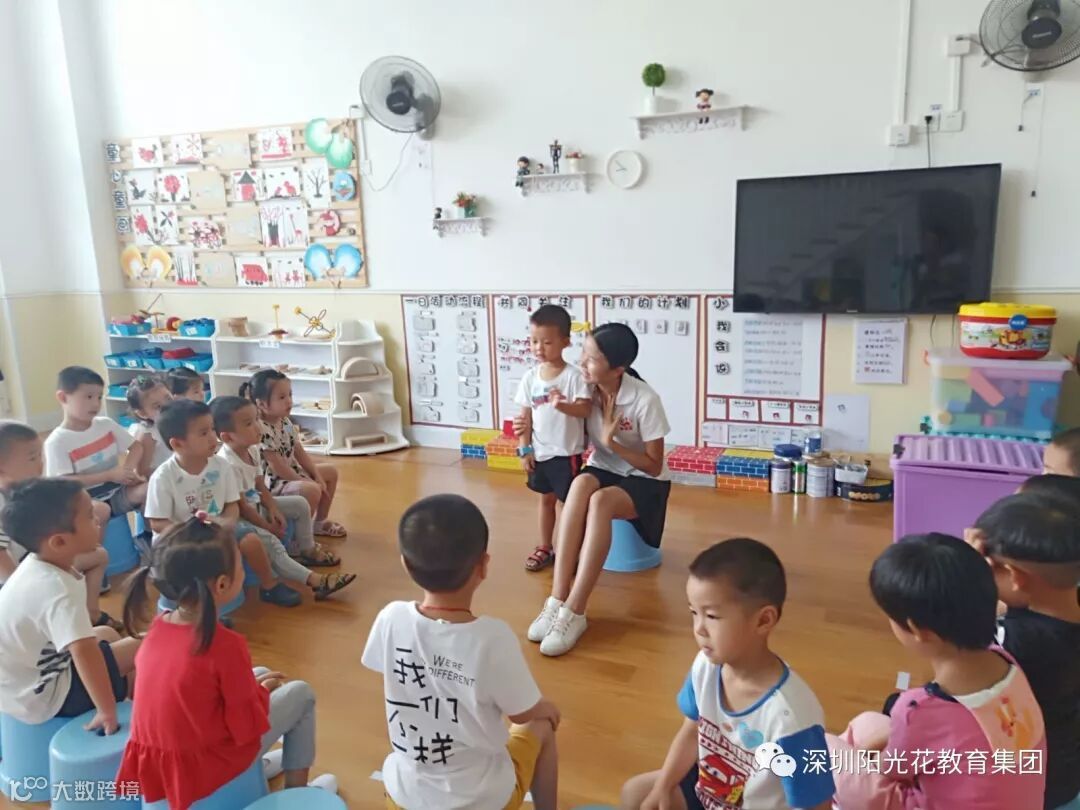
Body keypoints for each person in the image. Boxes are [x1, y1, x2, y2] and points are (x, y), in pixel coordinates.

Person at [117, 516, 337, 807]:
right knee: (301, 694)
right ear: (222, 584)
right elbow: (245, 726)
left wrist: (255, 691)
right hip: (204, 765)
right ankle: (298, 794)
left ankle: (257, 766)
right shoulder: (225, 645)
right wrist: (261, 694)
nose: (244, 571)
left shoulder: (159, 627)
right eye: (240, 566)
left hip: (159, 762)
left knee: (258, 673)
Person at [363, 494, 560, 810]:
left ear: (406, 564)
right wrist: (545, 708)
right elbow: (522, 714)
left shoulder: (390, 617)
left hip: (404, 799)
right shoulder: (493, 637)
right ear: (483, 566)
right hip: (485, 801)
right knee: (543, 725)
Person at [828, 533, 1046, 810]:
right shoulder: (1007, 660)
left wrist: (864, 756)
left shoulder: (920, 707)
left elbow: (892, 769)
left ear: (917, 630)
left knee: (822, 748)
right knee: (867, 723)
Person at [621, 538, 835, 810]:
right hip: (709, 790)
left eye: (711, 616)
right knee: (636, 794)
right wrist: (662, 788)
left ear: (763, 620)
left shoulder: (792, 718)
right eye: (693, 613)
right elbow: (691, 732)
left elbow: (817, 803)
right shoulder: (706, 666)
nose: (699, 628)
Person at [526, 322, 671, 656]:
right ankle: (557, 599)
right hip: (604, 466)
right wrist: (526, 431)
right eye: (583, 354)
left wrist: (612, 442)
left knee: (601, 501)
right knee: (579, 486)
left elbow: (653, 465)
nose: (582, 363)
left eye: (591, 359)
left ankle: (576, 611)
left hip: (645, 479)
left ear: (618, 369)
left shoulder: (645, 399)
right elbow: (551, 412)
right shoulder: (585, 389)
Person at [968, 495, 1080, 810]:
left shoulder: (1017, 643)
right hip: (1063, 772)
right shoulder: (1060, 615)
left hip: (1024, 784)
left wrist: (969, 582)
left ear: (1016, 577)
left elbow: (955, 654)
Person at [0, 478, 139, 730]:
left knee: (106, 633)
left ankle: (131, 701)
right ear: (59, 542)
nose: (98, 520)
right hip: (46, 695)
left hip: (20, 686)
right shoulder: (57, 590)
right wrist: (106, 710)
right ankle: (133, 712)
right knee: (144, 646)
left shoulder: (37, 565)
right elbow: (84, 653)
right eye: (89, 516)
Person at [144, 398, 301, 607]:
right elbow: (157, 523)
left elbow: (232, 505)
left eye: (212, 429)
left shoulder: (221, 465)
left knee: (251, 541)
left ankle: (269, 585)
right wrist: (192, 535)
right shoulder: (163, 477)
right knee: (195, 566)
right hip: (180, 540)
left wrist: (226, 523)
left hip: (218, 529)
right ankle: (194, 609)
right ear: (178, 444)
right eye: (203, 433)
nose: (213, 436)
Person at [211, 396, 355, 601]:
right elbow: (242, 507)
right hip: (243, 518)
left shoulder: (252, 449)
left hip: (257, 506)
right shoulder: (228, 463)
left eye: (256, 419)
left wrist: (273, 507)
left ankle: (306, 549)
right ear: (227, 437)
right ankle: (316, 582)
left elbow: (260, 485)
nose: (258, 427)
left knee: (300, 505)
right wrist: (266, 526)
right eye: (249, 424)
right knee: (272, 543)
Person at [0, 420, 120, 628]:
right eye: (32, 458)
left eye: (40, 456)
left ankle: (91, 612)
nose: (40, 464)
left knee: (99, 556)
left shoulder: (33, 488)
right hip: (17, 579)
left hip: (40, 558)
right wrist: (23, 590)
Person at [515, 304, 590, 572]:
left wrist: (563, 406)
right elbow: (524, 418)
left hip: (566, 455)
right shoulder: (530, 378)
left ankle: (568, 550)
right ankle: (544, 546)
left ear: (565, 342)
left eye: (547, 342)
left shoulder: (574, 376)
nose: (539, 348)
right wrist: (524, 450)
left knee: (567, 504)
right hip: (540, 453)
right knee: (545, 500)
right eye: (534, 341)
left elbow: (585, 410)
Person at [241, 369, 345, 538]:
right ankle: (300, 537)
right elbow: (278, 467)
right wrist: (306, 481)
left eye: (290, 395)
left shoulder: (285, 422)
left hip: (291, 474)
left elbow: (299, 451)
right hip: (273, 484)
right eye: (282, 397)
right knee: (311, 489)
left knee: (330, 472)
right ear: (262, 404)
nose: (289, 401)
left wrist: (316, 475)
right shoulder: (261, 428)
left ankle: (319, 523)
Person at [44, 365, 147, 518]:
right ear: (63, 398)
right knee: (102, 511)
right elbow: (64, 483)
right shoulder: (57, 441)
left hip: (117, 493)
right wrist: (108, 475)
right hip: (84, 504)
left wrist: (127, 472)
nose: (95, 404)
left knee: (152, 488)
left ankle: (150, 532)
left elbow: (136, 447)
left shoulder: (106, 424)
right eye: (88, 397)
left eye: (99, 397)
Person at [125, 374, 173, 478]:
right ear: (142, 414)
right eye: (158, 406)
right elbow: (142, 472)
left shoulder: (179, 420)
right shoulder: (148, 435)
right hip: (161, 479)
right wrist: (172, 473)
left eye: (169, 399)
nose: (168, 407)